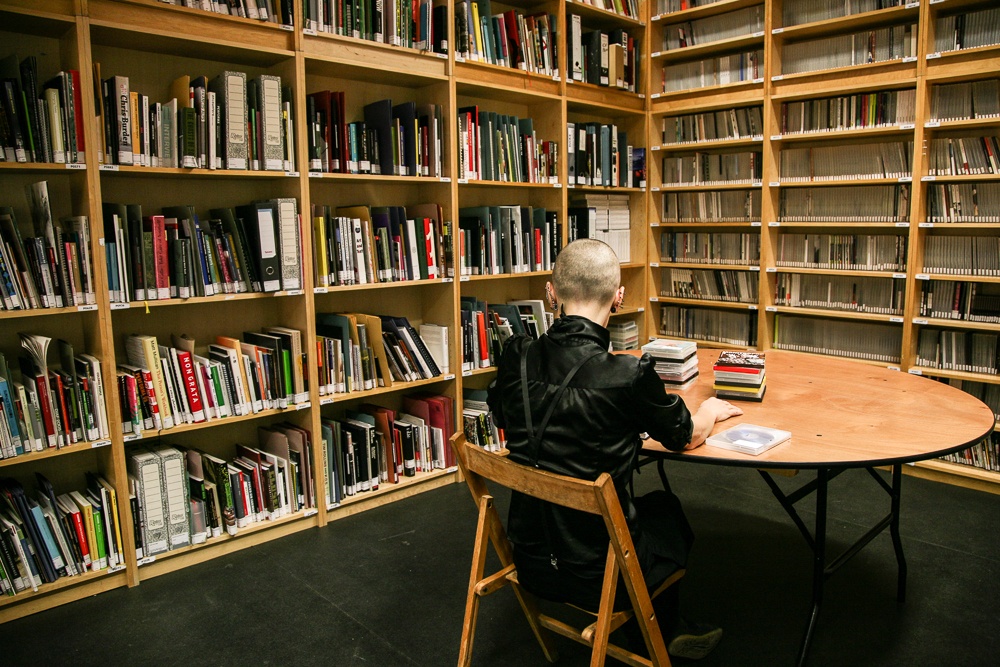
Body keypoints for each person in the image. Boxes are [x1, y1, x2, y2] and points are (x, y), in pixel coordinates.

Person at [486, 239, 743, 660]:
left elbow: (501, 416)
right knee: (669, 512)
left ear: (551, 292)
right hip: (601, 571)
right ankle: (663, 631)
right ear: (619, 297)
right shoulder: (627, 374)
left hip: (529, 556)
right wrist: (710, 410)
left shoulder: (517, 354)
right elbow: (682, 435)